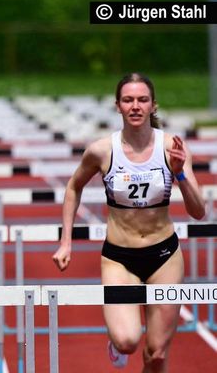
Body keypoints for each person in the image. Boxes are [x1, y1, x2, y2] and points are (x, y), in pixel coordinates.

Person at [52, 73, 205, 371]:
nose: (135, 106)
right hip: (119, 259)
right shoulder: (101, 150)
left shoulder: (171, 147)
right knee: (127, 342)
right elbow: (73, 187)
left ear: (153, 106)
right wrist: (66, 241)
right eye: (128, 100)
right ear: (118, 106)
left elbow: (198, 212)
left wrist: (180, 174)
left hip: (164, 257)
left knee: (157, 353)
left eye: (142, 100)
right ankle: (116, 339)